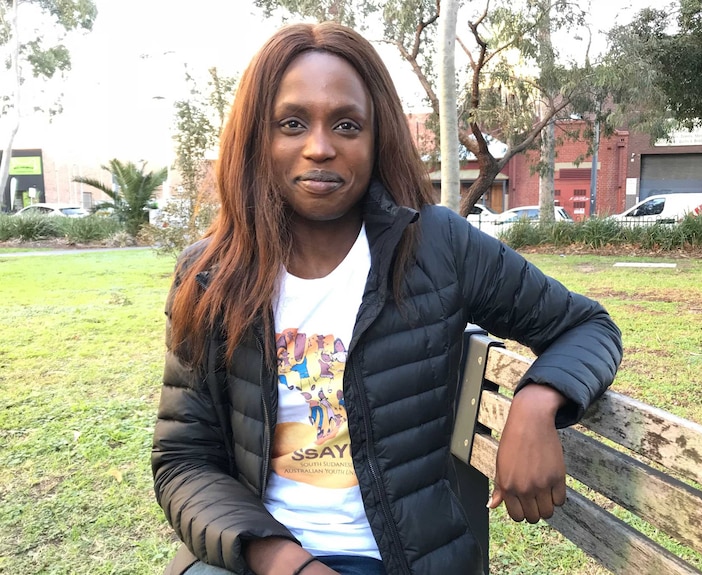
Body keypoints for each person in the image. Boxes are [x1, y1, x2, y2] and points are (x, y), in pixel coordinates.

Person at [151, 21, 623, 575]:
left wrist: (538, 402)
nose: (320, 148)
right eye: (293, 123)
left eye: (347, 125)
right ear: (258, 136)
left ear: (377, 139)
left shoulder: (437, 246)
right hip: (257, 555)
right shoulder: (211, 276)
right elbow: (184, 459)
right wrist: (281, 560)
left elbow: (588, 326)